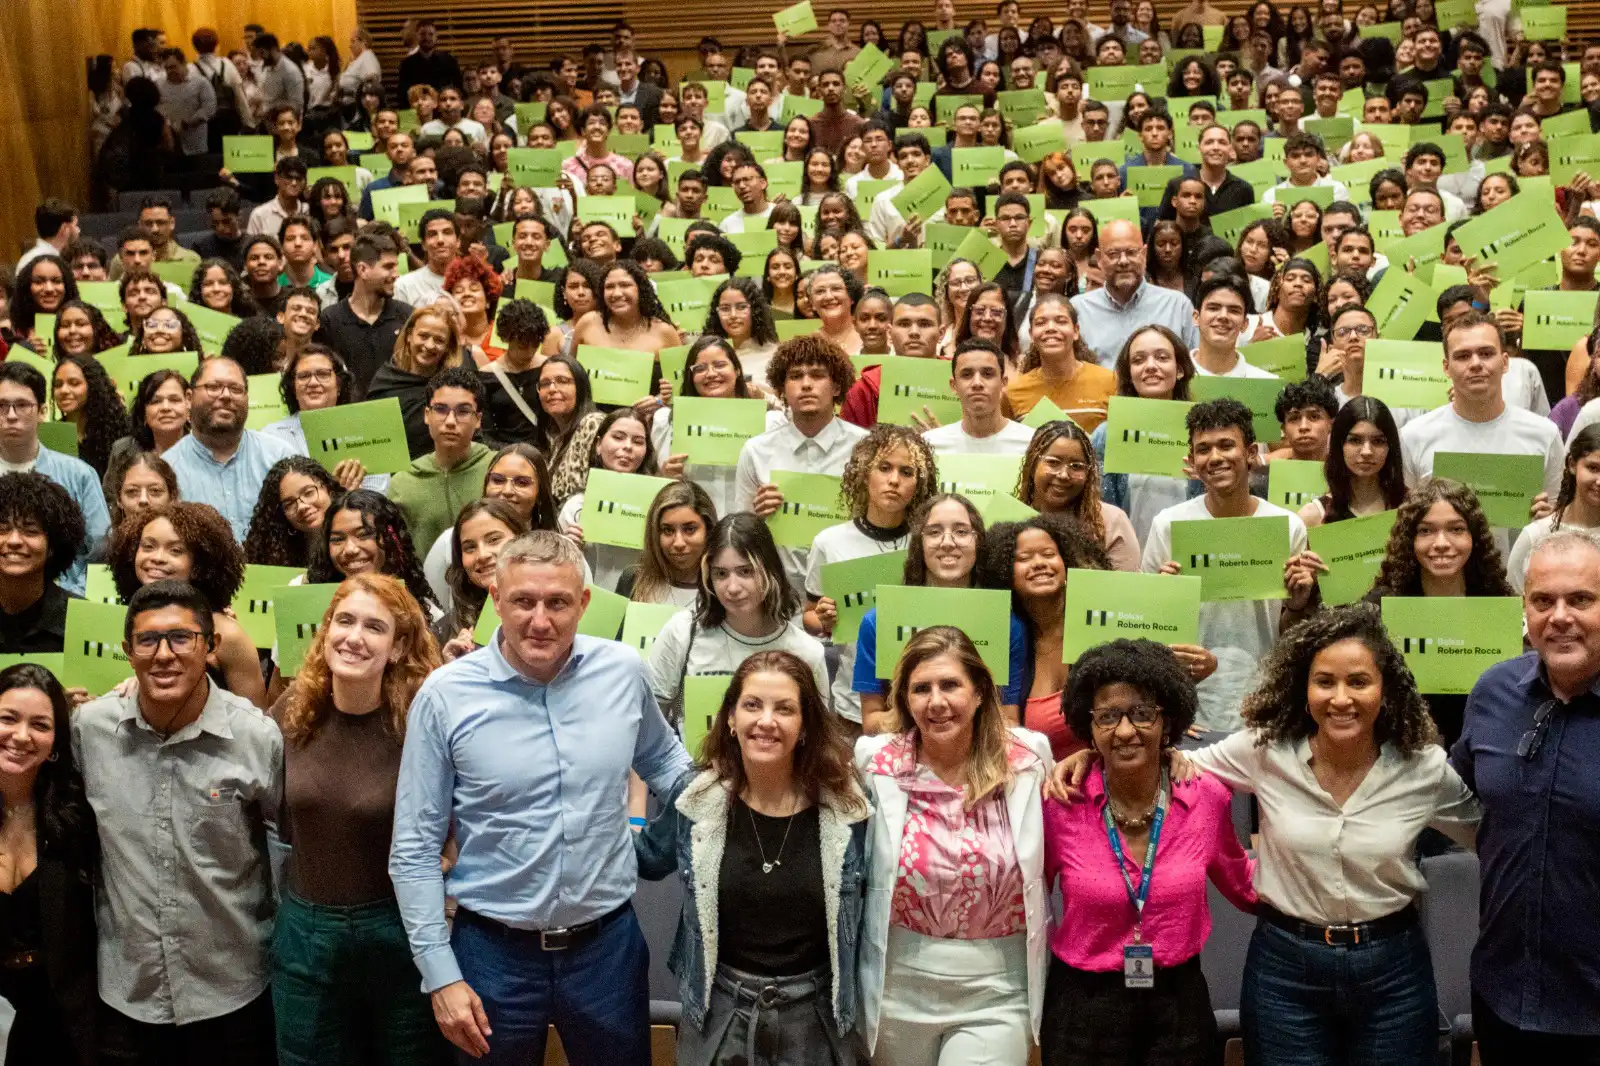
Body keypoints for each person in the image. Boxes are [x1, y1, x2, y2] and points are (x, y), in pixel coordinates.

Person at [1056, 603, 1480, 1066]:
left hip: (1392, 968)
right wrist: (1084, 758)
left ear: (1386, 690)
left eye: (1358, 681)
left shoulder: (1424, 769)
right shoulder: (1264, 751)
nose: (1341, 698)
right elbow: (1145, 756)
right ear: (1303, 689)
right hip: (1287, 969)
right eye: (1325, 682)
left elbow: (1494, 836)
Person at [389, 530, 691, 1063]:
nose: (540, 620)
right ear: (495, 599)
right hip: (491, 955)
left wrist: (736, 796)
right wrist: (439, 975)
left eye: (557, 602)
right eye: (523, 601)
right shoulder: (444, 697)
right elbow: (413, 850)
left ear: (585, 603)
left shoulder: (622, 671)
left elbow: (664, 761)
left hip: (607, 951)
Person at [78, 580, 282, 1065]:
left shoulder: (255, 737)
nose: (163, 654)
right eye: (148, 640)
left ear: (210, 647)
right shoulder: (90, 730)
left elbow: (286, 854)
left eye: (180, 638)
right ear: (127, 651)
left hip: (234, 992)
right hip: (128, 995)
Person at [635, 649, 869, 1066]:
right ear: (730, 718)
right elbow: (645, 859)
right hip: (718, 1012)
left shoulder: (848, 807)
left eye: (785, 709)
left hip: (818, 1018)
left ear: (806, 726)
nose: (766, 721)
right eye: (752, 705)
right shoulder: (696, 797)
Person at [1040, 639, 1255, 1066]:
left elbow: (1244, 884)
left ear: (1167, 719)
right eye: (1107, 716)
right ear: (1089, 724)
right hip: (1083, 1009)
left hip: (1179, 1005)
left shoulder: (1206, 796)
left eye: (1142, 713)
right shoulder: (1060, 801)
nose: (1124, 731)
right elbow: (1027, 901)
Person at [269, 573, 448, 1065]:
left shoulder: (420, 723)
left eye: (374, 627)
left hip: (398, 933)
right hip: (307, 935)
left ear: (396, 648)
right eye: (343, 621)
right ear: (325, 632)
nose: (353, 637)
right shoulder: (292, 711)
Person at [855, 625, 1054, 1064]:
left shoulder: (1029, 758)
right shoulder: (876, 762)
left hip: (999, 988)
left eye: (950, 685)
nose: (936, 702)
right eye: (920, 689)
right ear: (905, 700)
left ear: (981, 691)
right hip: (898, 984)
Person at [1455, 530, 1600, 1059]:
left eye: (1581, 599)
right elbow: (1459, 801)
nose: (1559, 616)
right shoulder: (1492, 691)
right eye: (1543, 601)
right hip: (1503, 995)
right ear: (1525, 609)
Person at [1142, 398, 1311, 730]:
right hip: (1191, 706)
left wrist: (1299, 602)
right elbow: (1148, 633)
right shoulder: (1168, 525)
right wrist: (1163, 600)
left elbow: (1293, 632)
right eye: (1203, 449)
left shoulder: (1286, 526)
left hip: (1264, 701)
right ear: (1191, 460)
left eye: (1225, 445)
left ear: (1249, 452)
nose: (1215, 457)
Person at [0, 662, 100, 1065]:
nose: (21, 736)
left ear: (56, 742)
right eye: (8, 719)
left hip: (73, 1016)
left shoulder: (78, 816)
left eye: (40, 725)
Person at [1399, 312, 1563, 552]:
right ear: (1446, 367)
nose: (1476, 363)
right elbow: (1406, 524)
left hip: (1518, 581)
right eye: (1463, 356)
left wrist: (1547, 519)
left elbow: (1557, 519)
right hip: (1443, 583)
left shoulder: (1544, 435)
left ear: (1505, 362)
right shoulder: (1414, 436)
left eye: (1486, 353)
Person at [807, 425, 936, 728]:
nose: (894, 480)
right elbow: (809, 615)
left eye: (907, 472)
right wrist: (823, 619)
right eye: (884, 468)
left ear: (919, 483)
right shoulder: (830, 542)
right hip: (853, 706)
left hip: (926, 706)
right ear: (865, 474)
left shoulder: (930, 542)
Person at [735, 336, 867, 593]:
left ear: (837, 386)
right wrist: (756, 515)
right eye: (795, 376)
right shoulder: (756, 451)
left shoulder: (865, 449)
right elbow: (740, 534)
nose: (806, 385)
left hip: (847, 586)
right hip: (777, 590)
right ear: (782, 389)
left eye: (818, 375)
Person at [0, 364, 110, 595]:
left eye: (21, 405)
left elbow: (100, 550)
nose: (11, 415)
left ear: (42, 411)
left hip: (65, 601)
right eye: (1, 406)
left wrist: (72, 595)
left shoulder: (79, 474)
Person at [161, 357, 299, 541]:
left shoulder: (280, 456)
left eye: (235, 389)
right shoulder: (167, 469)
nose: (226, 395)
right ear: (188, 398)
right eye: (214, 387)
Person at [388, 366, 495, 560]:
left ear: (478, 419)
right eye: (440, 409)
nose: (451, 421)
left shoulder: (497, 469)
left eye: (463, 411)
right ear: (427, 415)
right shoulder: (403, 482)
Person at [557, 408, 667, 592]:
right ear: (598, 445)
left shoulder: (659, 505)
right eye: (618, 437)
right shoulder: (576, 506)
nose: (628, 446)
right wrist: (567, 547)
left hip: (642, 599)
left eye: (638, 441)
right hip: (590, 601)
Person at [1071, 220, 1200, 367]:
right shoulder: (1078, 309)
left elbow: (1197, 367)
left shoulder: (1177, 306)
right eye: (1113, 254)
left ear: (1144, 254)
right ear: (1099, 259)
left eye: (1132, 252)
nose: (1123, 261)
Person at [1017, 420, 1141, 571]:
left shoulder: (1111, 522)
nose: (1063, 475)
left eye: (1076, 466)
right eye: (1053, 462)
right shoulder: (1011, 516)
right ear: (1032, 462)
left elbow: (1124, 588)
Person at [367, 305, 468, 461]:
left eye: (439, 340)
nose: (429, 345)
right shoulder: (386, 379)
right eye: (423, 336)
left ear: (448, 347)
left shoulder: (455, 387)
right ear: (409, 336)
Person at [0, 472, 85, 655]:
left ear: (53, 545)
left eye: (30, 531)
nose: (14, 540)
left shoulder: (84, 619)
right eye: (2, 530)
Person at [1006, 294, 1117, 429]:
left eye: (1061, 321)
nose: (1051, 328)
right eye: (1041, 323)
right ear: (1031, 335)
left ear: (1075, 331)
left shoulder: (1110, 381)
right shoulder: (1013, 392)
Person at [1300, 396, 1408, 530]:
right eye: (1355, 440)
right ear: (1339, 445)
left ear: (1390, 447)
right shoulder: (1313, 516)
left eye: (1378, 441)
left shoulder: (1413, 508)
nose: (1367, 451)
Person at [242, 456, 342, 570]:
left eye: (308, 493)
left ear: (329, 489)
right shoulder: (279, 559)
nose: (301, 506)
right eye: (289, 504)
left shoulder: (359, 532)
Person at [52, 356, 130, 479]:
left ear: (93, 386)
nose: (64, 390)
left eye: (74, 383)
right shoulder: (51, 434)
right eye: (58, 385)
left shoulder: (116, 431)